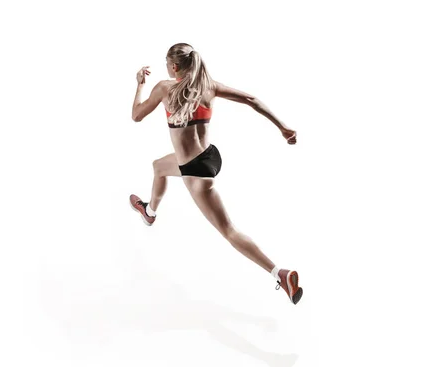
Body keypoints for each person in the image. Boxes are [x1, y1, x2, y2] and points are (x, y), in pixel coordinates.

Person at [129, 43, 302, 304]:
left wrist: (140, 84)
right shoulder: (208, 86)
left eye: (166, 63)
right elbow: (251, 100)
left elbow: (136, 116)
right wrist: (284, 128)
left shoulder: (165, 88)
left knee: (229, 230)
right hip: (211, 157)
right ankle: (149, 212)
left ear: (174, 67)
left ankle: (280, 273)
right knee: (159, 167)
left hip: (196, 171)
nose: (166, 68)